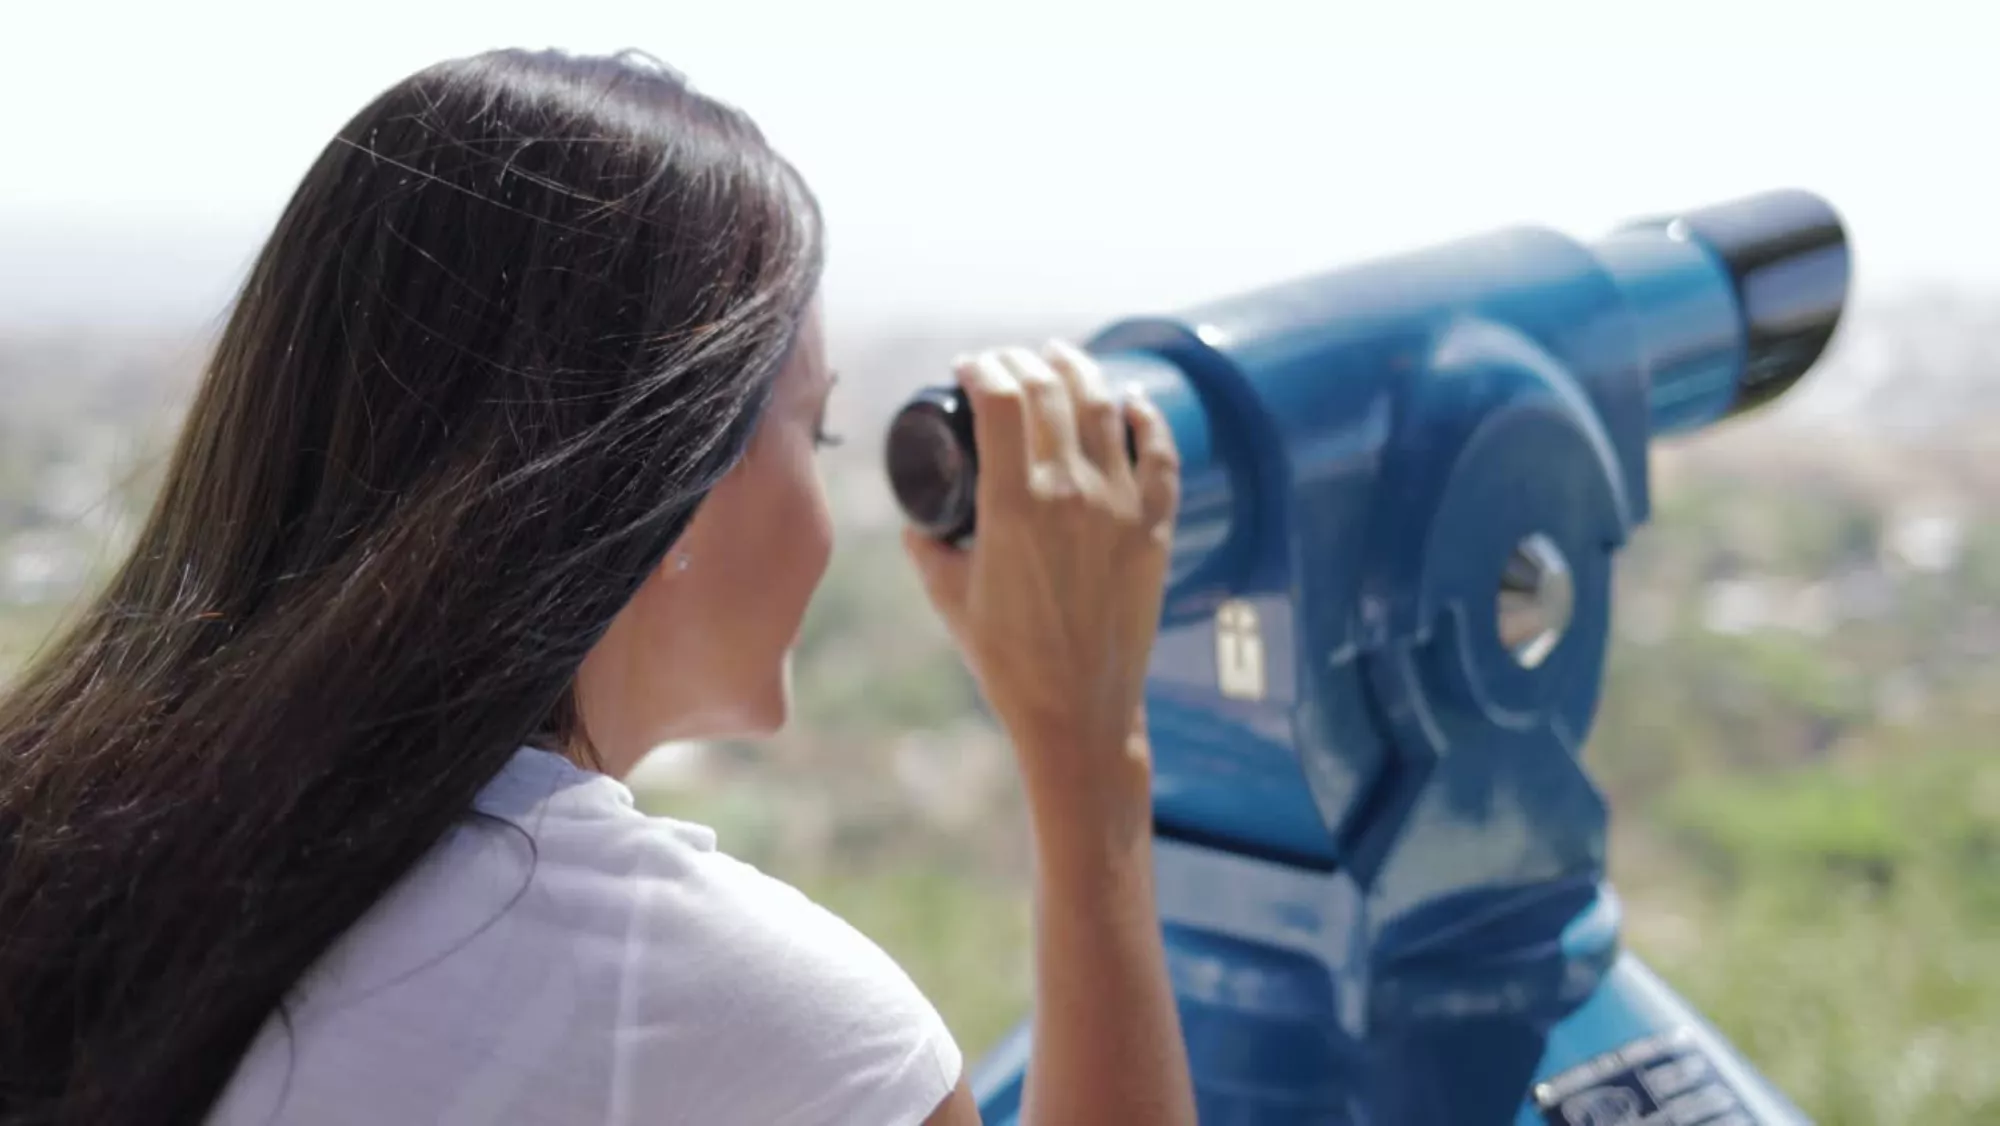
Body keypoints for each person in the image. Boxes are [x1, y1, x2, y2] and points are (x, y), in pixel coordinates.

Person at [0, 48, 1197, 1126]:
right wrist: (1088, 754)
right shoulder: (766, 1031)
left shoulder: (66, 839)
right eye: (815, 432)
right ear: (681, 480)